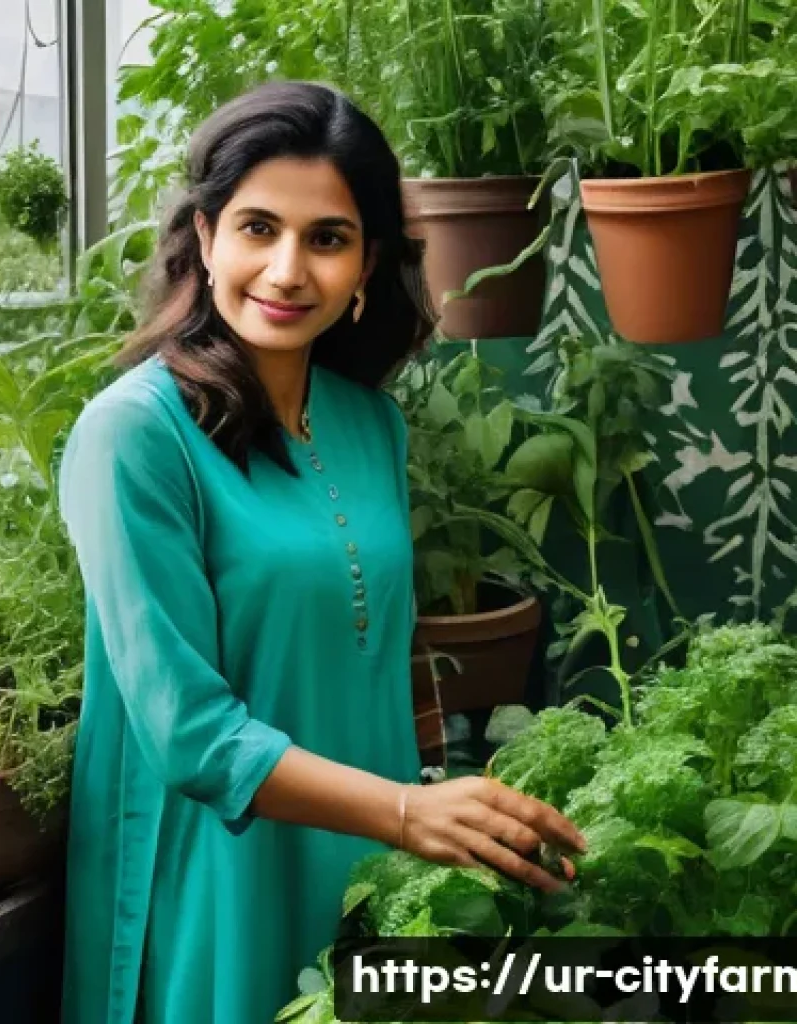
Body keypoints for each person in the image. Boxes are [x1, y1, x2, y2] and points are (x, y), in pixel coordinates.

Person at [57, 80, 586, 1024]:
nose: (288, 269)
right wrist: (409, 812)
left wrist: (423, 819)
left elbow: (374, 653)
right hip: (216, 875)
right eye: (258, 228)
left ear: (368, 264)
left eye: (327, 238)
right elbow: (189, 734)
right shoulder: (134, 434)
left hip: (370, 859)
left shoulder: (368, 423)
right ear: (207, 236)